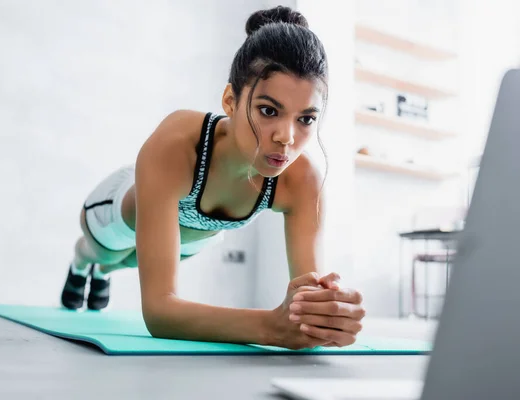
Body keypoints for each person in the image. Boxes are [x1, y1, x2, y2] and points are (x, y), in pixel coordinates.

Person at [60, 5, 365, 350]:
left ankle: (101, 274)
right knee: (103, 252)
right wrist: (271, 326)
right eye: (268, 111)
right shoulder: (177, 144)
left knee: (127, 262)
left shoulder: (302, 179)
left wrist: (323, 315)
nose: (287, 137)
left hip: (195, 236)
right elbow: (159, 311)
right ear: (230, 101)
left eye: (306, 119)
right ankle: (82, 263)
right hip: (118, 214)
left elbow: (306, 298)